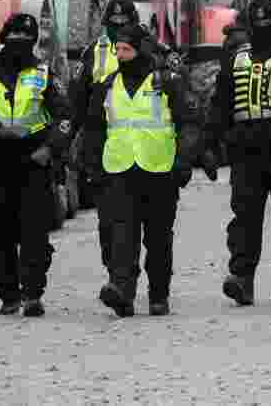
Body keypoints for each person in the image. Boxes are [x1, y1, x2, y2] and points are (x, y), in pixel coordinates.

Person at [82, 24, 203, 317]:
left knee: (158, 237)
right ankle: (122, 289)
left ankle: (158, 295)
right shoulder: (107, 85)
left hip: (159, 169)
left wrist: (184, 160)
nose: (122, 56)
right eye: (118, 50)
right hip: (120, 169)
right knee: (122, 232)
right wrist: (92, 167)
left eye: (127, 50)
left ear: (141, 51)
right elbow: (95, 129)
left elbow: (189, 123)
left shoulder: (167, 82)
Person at [0, 13, 72, 316]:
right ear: (3, 38)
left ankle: (33, 294)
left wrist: (49, 150)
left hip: (34, 161)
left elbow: (64, 118)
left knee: (35, 234)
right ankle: (9, 296)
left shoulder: (45, 75)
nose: (18, 45)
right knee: (2, 235)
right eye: (13, 39)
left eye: (25, 40)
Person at [206, 0, 271, 306]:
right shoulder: (236, 58)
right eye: (257, 22)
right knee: (245, 216)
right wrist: (210, 144)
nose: (262, 27)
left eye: (267, 22)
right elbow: (220, 103)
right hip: (246, 146)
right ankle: (242, 277)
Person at [68, 0, 142, 266]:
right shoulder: (93, 53)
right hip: (104, 150)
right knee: (110, 221)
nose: (119, 28)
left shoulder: (154, 50)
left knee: (150, 228)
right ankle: (118, 277)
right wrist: (67, 143)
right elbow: (76, 104)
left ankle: (152, 289)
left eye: (124, 23)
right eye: (114, 24)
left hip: (146, 150)